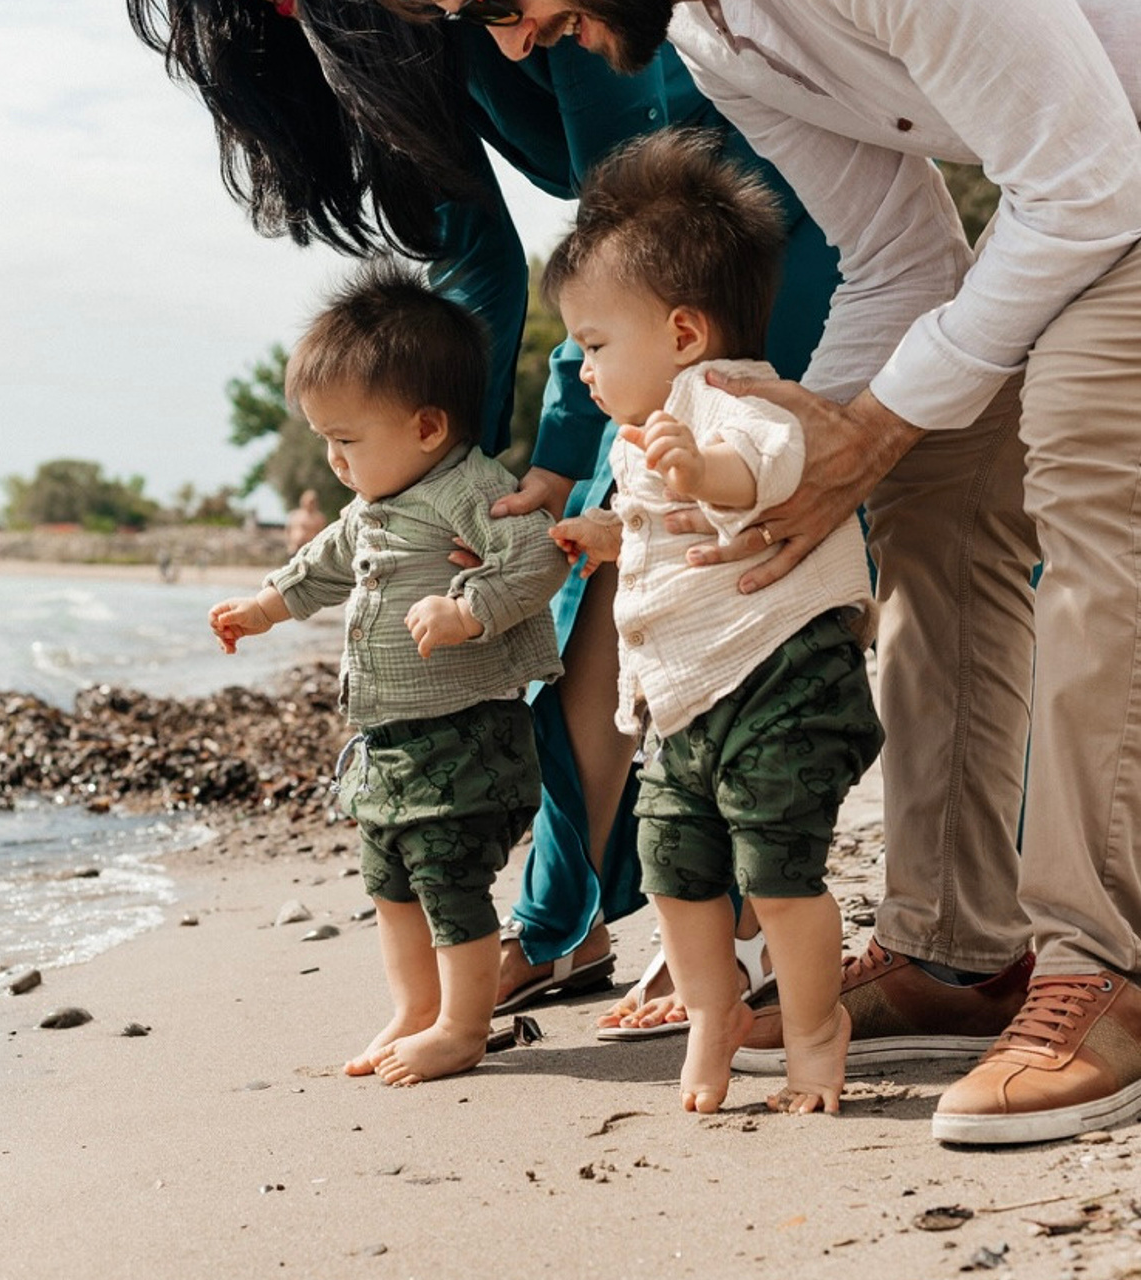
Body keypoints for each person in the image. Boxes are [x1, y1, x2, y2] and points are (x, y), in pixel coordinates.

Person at [392, 0, 1141, 1143]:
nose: (508, 45)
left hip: (1111, 176)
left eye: (494, 3)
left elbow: (1087, 182)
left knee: (1087, 468)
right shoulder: (710, 42)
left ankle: (1108, 966)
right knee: (929, 490)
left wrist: (875, 420)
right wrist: (795, 442)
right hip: (1084, 180)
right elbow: (900, 261)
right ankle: (949, 950)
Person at [126, 0, 842, 1024]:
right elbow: (472, 260)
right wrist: (450, 479)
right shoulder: (371, 49)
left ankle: (722, 927)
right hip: (631, 286)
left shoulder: (531, 6)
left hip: (742, 249)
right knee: (578, 609)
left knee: (684, 597)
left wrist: (557, 447)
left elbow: (639, 205)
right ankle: (580, 922)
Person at [542, 128, 881, 1113]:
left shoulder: (729, 396)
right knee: (675, 871)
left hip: (778, 681)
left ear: (684, 333)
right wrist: (609, 535)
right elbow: (661, 525)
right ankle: (710, 1012)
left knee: (776, 872)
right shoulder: (640, 432)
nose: (585, 369)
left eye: (595, 346)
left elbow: (764, 463)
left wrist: (707, 472)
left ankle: (816, 1026)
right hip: (685, 707)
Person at [208, 262, 569, 1084]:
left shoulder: (472, 490)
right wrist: (262, 607)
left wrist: (470, 607)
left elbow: (538, 555)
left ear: (428, 427)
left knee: (448, 883)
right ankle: (413, 1009)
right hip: (390, 742)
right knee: (390, 882)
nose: (334, 461)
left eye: (346, 440)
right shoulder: (368, 508)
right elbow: (321, 566)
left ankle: (462, 1026)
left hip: (466, 731)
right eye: (325, 440)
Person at [284, 489, 327, 555]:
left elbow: (322, 534)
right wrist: (290, 544)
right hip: (295, 547)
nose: (309, 503)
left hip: (309, 549)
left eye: (312, 502)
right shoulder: (295, 515)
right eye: (308, 501)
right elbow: (288, 530)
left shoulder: (319, 517)